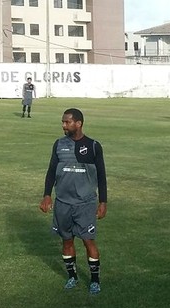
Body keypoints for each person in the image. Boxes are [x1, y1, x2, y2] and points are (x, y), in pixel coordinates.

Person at [40, 108, 108, 295]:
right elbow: (51, 171)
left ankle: (94, 280)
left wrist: (103, 202)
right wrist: (47, 195)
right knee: (67, 241)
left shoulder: (93, 146)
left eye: (67, 122)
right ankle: (72, 277)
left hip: (85, 204)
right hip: (62, 203)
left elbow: (101, 175)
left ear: (78, 123)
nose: (64, 125)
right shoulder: (59, 144)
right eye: (63, 122)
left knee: (88, 242)